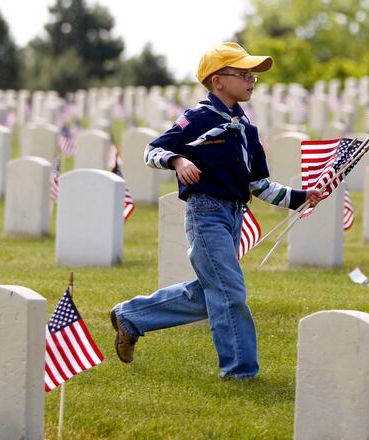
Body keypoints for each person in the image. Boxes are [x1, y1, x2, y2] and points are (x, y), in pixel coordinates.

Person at [110, 42, 321, 379]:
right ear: (218, 80)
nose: (252, 80)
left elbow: (259, 185)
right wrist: (178, 160)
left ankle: (130, 317)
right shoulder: (197, 119)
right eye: (244, 74)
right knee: (230, 291)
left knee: (208, 293)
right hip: (206, 214)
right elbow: (152, 150)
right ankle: (240, 372)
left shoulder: (246, 129)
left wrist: (300, 197)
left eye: (253, 75)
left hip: (235, 217)